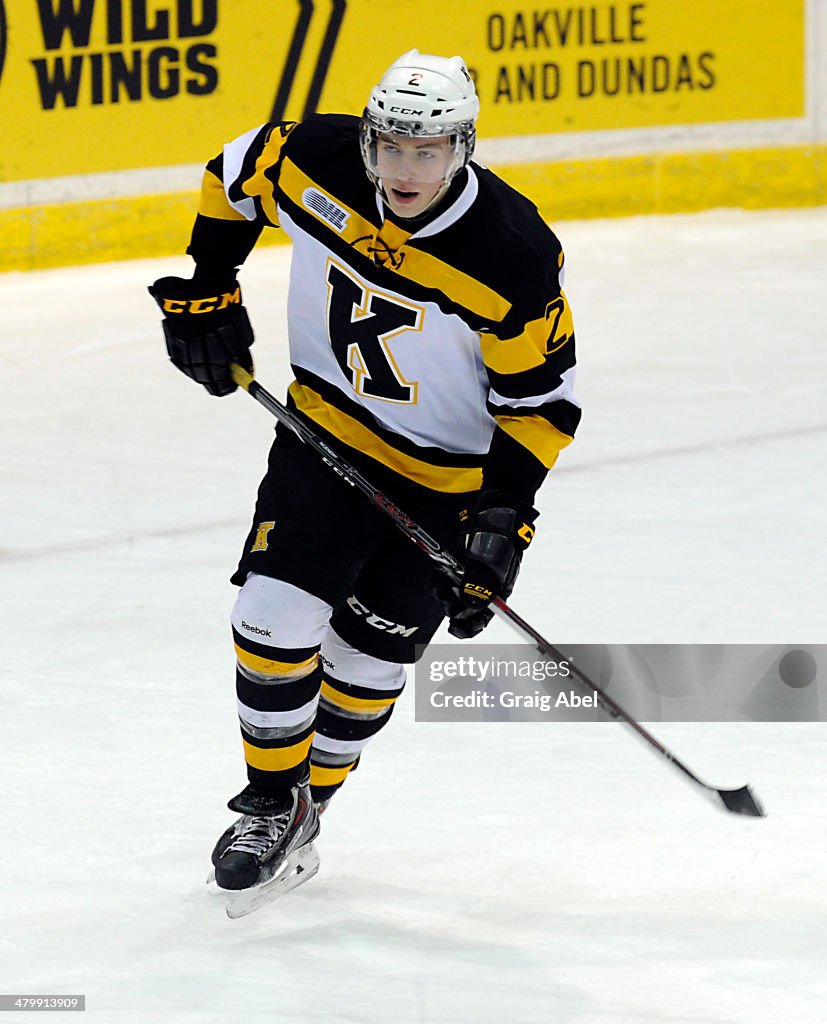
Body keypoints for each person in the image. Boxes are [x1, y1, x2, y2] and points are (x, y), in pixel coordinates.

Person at [149, 49, 580, 905]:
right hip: (325, 438)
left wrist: (502, 525)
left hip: (447, 484)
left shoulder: (510, 255)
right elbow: (236, 172)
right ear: (370, 138)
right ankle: (269, 803)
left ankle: (312, 807)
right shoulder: (316, 159)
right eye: (390, 146)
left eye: (428, 151)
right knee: (270, 617)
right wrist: (209, 283)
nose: (404, 169)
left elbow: (540, 405)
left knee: (367, 667)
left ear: (464, 147)